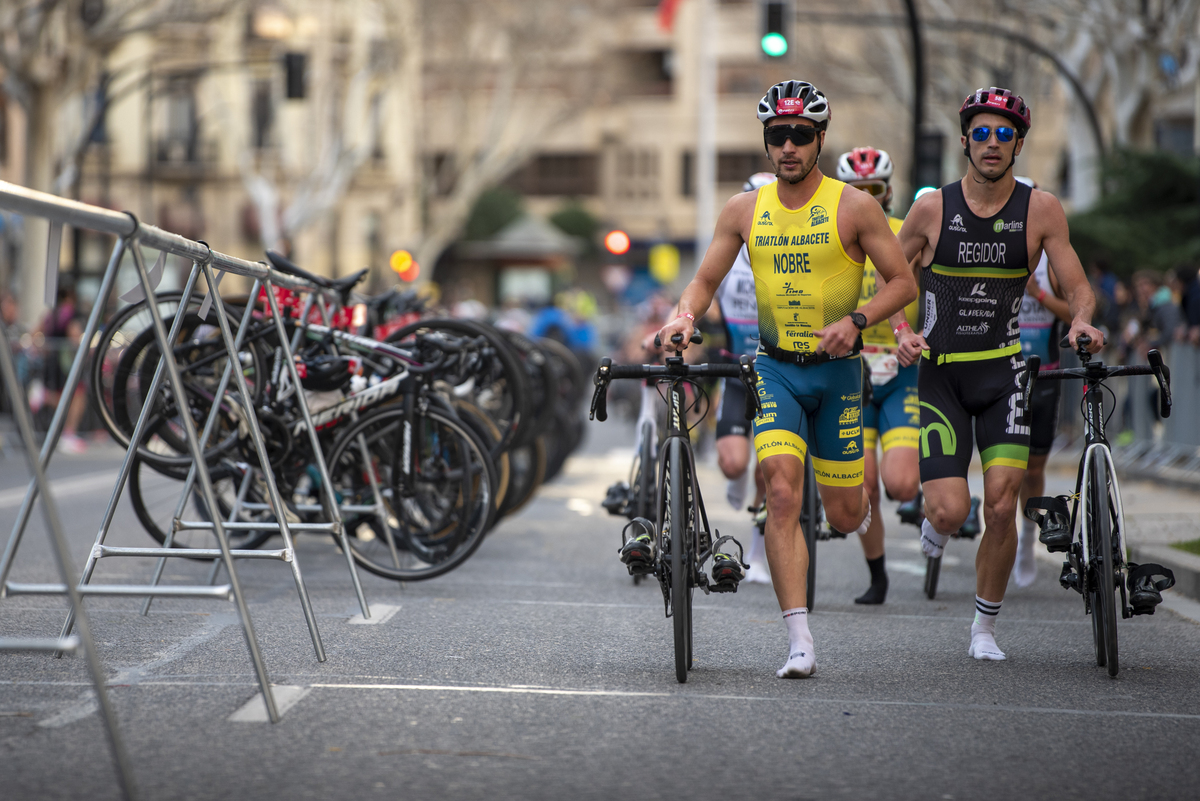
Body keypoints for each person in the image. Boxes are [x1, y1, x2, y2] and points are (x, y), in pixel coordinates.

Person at [654, 80, 918, 678]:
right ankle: (799, 639)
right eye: (779, 136)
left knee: (846, 514)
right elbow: (704, 281)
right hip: (773, 368)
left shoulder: (854, 206)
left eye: (801, 135)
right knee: (778, 489)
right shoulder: (743, 210)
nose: (789, 146)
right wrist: (684, 315)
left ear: (821, 139)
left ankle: (852, 511)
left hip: (838, 376)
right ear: (767, 143)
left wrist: (857, 321)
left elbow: (902, 283)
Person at [889, 87, 1103, 661]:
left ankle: (984, 628)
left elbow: (1076, 284)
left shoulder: (1042, 210)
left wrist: (1081, 319)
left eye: (1004, 134)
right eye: (981, 133)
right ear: (964, 140)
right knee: (950, 509)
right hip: (942, 377)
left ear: (1019, 145)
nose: (991, 143)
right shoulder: (933, 207)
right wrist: (900, 333)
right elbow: (891, 274)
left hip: (1006, 373)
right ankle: (936, 526)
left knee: (1003, 502)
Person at [834, 147, 920, 605]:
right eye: (858, 191)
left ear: (889, 192)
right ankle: (878, 574)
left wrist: (924, 334)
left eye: (875, 190)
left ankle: (929, 491)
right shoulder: (832, 232)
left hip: (901, 368)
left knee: (901, 484)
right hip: (854, 369)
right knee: (862, 485)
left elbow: (936, 287)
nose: (866, 198)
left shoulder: (908, 230)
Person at [711, 171, 776, 584]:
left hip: (776, 370)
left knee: (769, 470)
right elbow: (700, 294)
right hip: (736, 369)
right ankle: (736, 478)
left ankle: (757, 552)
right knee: (734, 464)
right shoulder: (729, 254)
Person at [1012, 243, 1072, 587]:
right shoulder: (1000, 254)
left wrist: (1038, 295)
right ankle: (1007, 538)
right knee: (1008, 466)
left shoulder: (1051, 262)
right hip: (1006, 377)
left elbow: (1071, 313)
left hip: (1046, 375)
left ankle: (1025, 541)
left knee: (1034, 468)